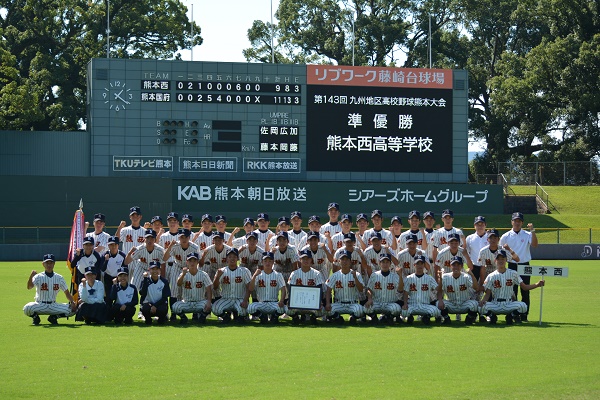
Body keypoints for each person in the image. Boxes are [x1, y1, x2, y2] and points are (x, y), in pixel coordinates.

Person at [479, 250, 544, 324]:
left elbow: (524, 287)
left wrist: (537, 284)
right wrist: (483, 301)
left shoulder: (513, 273)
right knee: (480, 307)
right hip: (495, 303)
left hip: (509, 303)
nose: (501, 261)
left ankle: (511, 315)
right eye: (498, 259)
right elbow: (487, 293)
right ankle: (492, 316)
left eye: (503, 259)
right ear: (495, 260)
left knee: (523, 306)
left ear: (506, 260)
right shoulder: (491, 276)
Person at [499, 212, 538, 322]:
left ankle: (524, 314)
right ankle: (514, 313)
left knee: (525, 290)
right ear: (512, 222)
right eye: (515, 221)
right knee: (512, 291)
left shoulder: (527, 234)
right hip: (511, 265)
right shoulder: (506, 236)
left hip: (525, 265)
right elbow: (500, 251)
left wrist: (533, 231)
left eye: (519, 221)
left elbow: (535, 245)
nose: (517, 223)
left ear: (522, 223)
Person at [24, 254, 77, 325]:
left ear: (54, 264)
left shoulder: (59, 278)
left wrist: (72, 302)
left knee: (73, 310)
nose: (49, 265)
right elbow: (29, 287)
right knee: (27, 308)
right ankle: (36, 318)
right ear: (43, 264)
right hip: (40, 304)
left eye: (51, 263)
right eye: (47, 263)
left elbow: (67, 293)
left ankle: (54, 317)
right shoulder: (38, 276)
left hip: (53, 305)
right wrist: (31, 276)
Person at [163, 228, 199, 321]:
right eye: (181, 237)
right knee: (174, 291)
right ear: (179, 237)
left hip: (190, 269)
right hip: (177, 267)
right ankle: (173, 314)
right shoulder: (175, 247)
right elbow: (165, 258)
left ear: (189, 237)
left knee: (192, 289)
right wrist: (170, 246)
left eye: (185, 237)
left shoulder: (194, 247)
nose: (183, 239)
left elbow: (197, 261)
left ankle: (195, 313)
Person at [212, 248, 252, 323]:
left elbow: (249, 288)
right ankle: (226, 317)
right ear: (226, 259)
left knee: (244, 310)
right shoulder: (221, 271)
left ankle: (240, 316)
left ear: (237, 259)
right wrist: (217, 277)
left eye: (234, 257)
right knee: (215, 309)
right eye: (230, 257)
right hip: (226, 299)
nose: (232, 259)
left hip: (239, 299)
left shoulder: (244, 271)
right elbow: (215, 287)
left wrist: (245, 300)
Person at [325, 250, 365, 324]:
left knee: (361, 311)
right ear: (339, 261)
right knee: (327, 311)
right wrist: (327, 303)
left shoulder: (357, 274)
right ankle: (338, 318)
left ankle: (352, 317)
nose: (344, 261)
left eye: (347, 260)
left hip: (352, 304)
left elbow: (361, 289)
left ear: (350, 262)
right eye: (342, 259)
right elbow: (328, 290)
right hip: (339, 304)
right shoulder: (335, 275)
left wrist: (355, 278)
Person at [246, 251, 287, 324]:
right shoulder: (258, 275)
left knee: (283, 308)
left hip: (274, 303)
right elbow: (250, 289)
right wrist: (254, 276)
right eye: (265, 261)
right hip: (261, 303)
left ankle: (274, 317)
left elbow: (283, 289)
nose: (267, 263)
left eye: (270, 261)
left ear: (273, 262)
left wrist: (281, 301)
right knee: (249, 308)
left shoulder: (278, 275)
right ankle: (262, 316)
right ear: (262, 262)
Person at [172, 252, 213, 324]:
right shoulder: (184, 274)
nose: (192, 263)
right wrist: (183, 274)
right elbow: (178, 284)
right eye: (190, 261)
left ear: (197, 262)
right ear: (187, 262)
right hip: (187, 302)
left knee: (210, 305)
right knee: (175, 307)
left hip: (199, 302)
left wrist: (209, 301)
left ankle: (202, 317)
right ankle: (183, 318)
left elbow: (209, 290)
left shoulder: (203, 274)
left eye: (194, 261)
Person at [438, 256, 479, 325]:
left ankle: (469, 318)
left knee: (474, 304)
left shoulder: (466, 276)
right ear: (450, 266)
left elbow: (476, 288)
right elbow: (439, 291)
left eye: (458, 265)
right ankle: (446, 319)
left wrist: (472, 275)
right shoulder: (445, 277)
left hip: (464, 304)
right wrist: (440, 300)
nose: (456, 267)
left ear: (462, 266)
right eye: (454, 265)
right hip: (451, 304)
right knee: (438, 304)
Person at [287, 249, 325, 325]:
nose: (306, 260)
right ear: (300, 260)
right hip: (298, 303)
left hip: (312, 304)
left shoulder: (317, 274)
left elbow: (320, 290)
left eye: (308, 258)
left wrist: (319, 302)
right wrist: (290, 301)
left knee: (323, 310)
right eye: (303, 258)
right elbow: (290, 289)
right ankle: (296, 318)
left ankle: (313, 318)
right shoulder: (294, 273)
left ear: (311, 260)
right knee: (287, 309)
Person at [402, 255, 441, 324]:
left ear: (424, 265)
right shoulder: (409, 278)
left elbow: (438, 289)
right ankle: (410, 316)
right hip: (412, 305)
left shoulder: (429, 278)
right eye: (418, 263)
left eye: (421, 263)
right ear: (414, 265)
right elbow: (405, 293)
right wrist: (405, 303)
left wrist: (440, 279)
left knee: (436, 311)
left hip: (425, 305)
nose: (419, 266)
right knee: (403, 312)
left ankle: (426, 316)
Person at [364, 253, 402, 324]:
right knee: (366, 308)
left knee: (397, 309)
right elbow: (369, 289)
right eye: (383, 262)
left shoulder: (395, 276)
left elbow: (400, 289)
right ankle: (374, 318)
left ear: (390, 264)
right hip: (377, 303)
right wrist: (369, 299)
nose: (385, 264)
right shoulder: (374, 275)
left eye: (387, 262)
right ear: (379, 263)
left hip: (390, 303)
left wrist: (400, 276)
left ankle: (388, 317)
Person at [116, 206, 146, 284]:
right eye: (133, 215)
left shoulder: (145, 231)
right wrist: (120, 227)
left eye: (137, 215)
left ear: (140, 217)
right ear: (130, 217)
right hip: (127, 260)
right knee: (125, 283)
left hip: (139, 261)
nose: (135, 217)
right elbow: (116, 240)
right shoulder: (124, 230)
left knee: (138, 283)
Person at [101, 236, 127, 303]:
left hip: (119, 278)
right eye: (111, 245)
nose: (114, 247)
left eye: (115, 244)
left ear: (118, 245)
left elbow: (125, 268)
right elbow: (102, 269)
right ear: (108, 246)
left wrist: (119, 278)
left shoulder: (122, 255)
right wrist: (106, 260)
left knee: (119, 297)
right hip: (108, 277)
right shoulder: (104, 255)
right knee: (108, 298)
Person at [465, 216, 489, 286]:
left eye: (482, 224)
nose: (480, 226)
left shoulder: (490, 237)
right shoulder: (470, 238)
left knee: (488, 288)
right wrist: (469, 265)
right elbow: (466, 253)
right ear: (474, 226)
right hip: (474, 266)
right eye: (478, 224)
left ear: (485, 225)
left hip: (488, 266)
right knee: (473, 288)